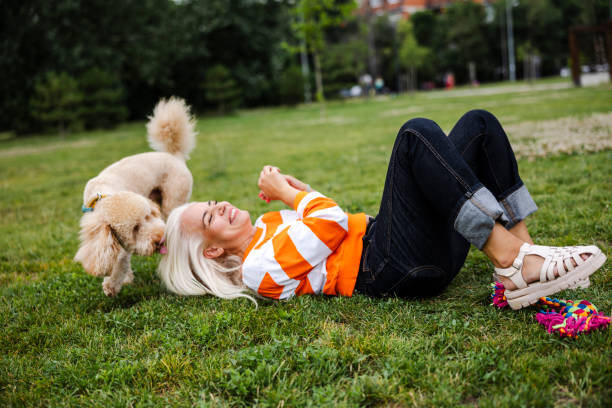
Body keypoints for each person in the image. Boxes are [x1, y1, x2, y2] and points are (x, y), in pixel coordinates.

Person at [158, 110, 606, 309]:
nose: (222, 208)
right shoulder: (258, 268)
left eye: (215, 203)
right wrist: (292, 195)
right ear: (212, 252)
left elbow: (322, 221)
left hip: (403, 247)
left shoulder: (268, 226)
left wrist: (296, 190)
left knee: (478, 126)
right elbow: (331, 223)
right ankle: (511, 260)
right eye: (211, 217)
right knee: (414, 136)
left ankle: (525, 258)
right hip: (392, 266)